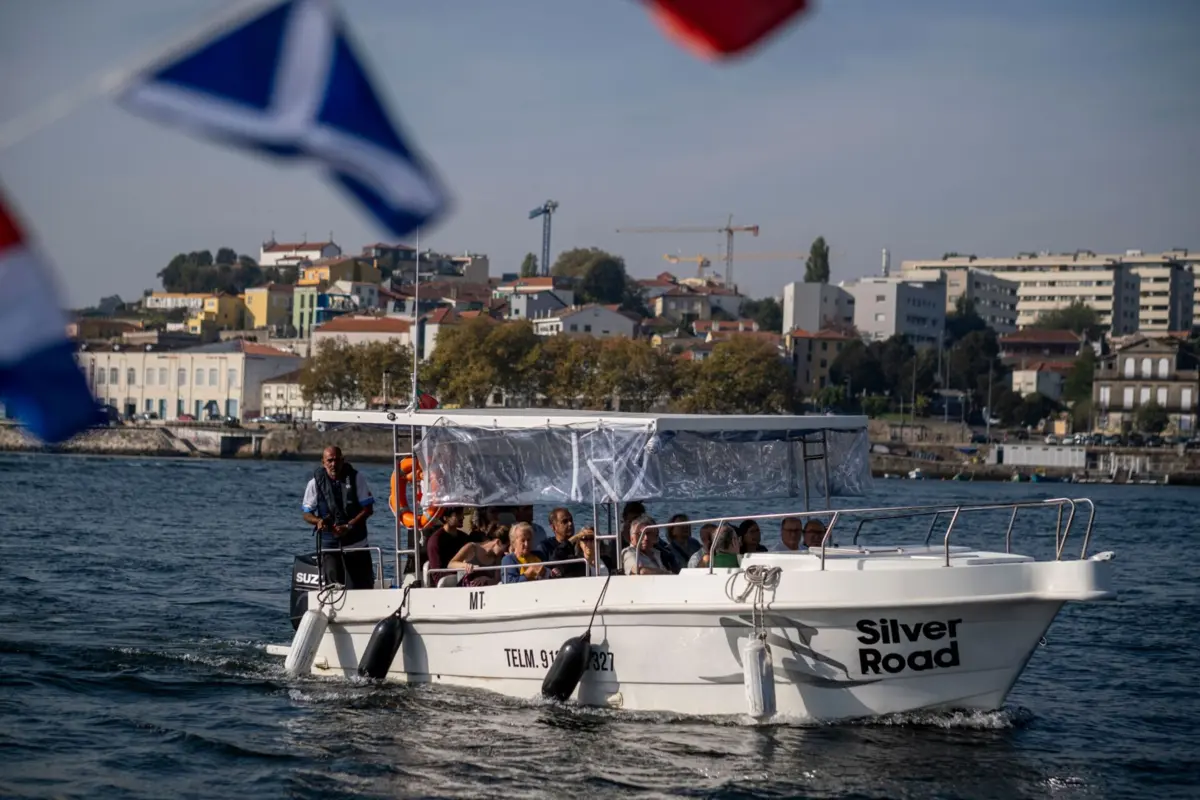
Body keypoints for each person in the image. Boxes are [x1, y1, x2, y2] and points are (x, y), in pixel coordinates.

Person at [301, 446, 376, 590]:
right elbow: (306, 513)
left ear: (343, 460)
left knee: (362, 589)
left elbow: (368, 509)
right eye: (329, 461)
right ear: (323, 462)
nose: (333, 464)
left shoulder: (356, 478)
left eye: (336, 460)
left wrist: (349, 526)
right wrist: (318, 521)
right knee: (333, 590)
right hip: (330, 546)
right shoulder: (314, 483)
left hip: (356, 544)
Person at [425, 507, 468, 581]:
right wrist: (460, 576)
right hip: (448, 585)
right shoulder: (435, 541)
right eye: (458, 514)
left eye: (462, 513)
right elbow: (437, 574)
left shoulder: (464, 537)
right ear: (445, 518)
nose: (463, 517)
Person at [537, 507, 582, 578]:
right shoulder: (545, 547)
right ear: (554, 527)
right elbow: (545, 569)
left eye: (571, 520)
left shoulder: (580, 544)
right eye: (565, 521)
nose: (570, 524)